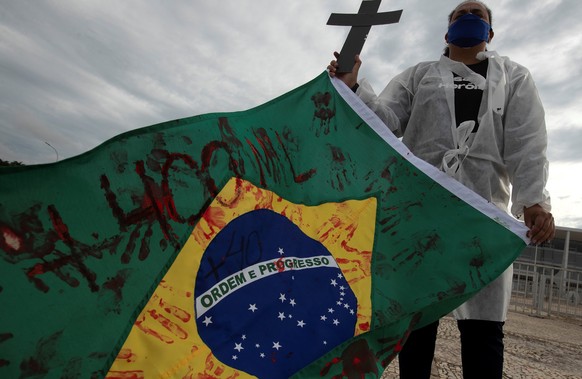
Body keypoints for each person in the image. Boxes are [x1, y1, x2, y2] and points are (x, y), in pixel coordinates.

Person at [328, 1, 556, 378]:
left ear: (491, 34)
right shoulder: (420, 76)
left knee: (483, 326)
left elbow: (527, 141)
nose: (469, 16)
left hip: (483, 212)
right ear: (446, 31)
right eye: (459, 14)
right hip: (422, 207)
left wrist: (532, 201)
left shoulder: (513, 77)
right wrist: (352, 85)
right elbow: (384, 120)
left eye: (478, 14)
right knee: (418, 320)